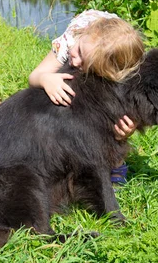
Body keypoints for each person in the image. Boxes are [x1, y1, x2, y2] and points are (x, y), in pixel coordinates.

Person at [29, 10, 145, 185]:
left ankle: (116, 162)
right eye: (80, 52)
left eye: (85, 63)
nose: (76, 62)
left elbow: (133, 102)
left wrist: (130, 126)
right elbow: (34, 76)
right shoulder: (72, 40)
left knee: (117, 116)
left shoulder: (126, 65)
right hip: (91, 31)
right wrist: (46, 79)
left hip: (116, 62)